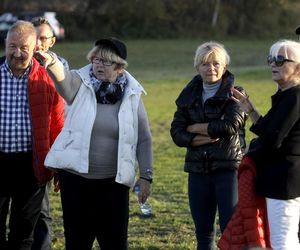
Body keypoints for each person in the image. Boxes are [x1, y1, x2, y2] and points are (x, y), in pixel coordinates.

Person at [35, 37, 153, 250]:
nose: (98, 65)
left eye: (106, 62)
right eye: (96, 59)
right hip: (76, 182)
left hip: (114, 184)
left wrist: (146, 175)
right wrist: (51, 61)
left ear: (119, 67)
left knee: (115, 242)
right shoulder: (80, 82)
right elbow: (62, 80)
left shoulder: (132, 93)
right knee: (77, 242)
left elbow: (144, 138)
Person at [170, 41, 246, 250]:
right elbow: (177, 133)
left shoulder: (236, 94)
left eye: (215, 64)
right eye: (205, 64)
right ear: (197, 66)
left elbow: (229, 126)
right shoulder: (188, 95)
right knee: (203, 234)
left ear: (225, 66)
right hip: (197, 171)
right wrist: (204, 134)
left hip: (228, 171)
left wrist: (193, 128)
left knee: (231, 231)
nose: (210, 68)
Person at [0, 20, 64, 250]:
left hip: (31, 164)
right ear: (5, 44)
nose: (17, 53)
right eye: (12, 46)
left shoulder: (46, 78)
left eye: (24, 48)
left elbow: (58, 123)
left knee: (23, 233)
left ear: (35, 47)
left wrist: (58, 164)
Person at [231, 39, 300, 250]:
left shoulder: (295, 97)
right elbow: (270, 130)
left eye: (280, 60)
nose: (273, 64)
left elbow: (273, 140)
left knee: (282, 241)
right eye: (271, 59)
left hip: (285, 181)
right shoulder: (285, 95)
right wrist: (250, 110)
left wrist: (250, 151)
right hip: (282, 178)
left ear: (298, 67)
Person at [31, 16, 69, 250]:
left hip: (47, 141)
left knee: (41, 209)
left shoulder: (60, 67)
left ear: (52, 41)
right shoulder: (19, 63)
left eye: (42, 38)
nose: (37, 44)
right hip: (22, 139)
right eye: (34, 38)